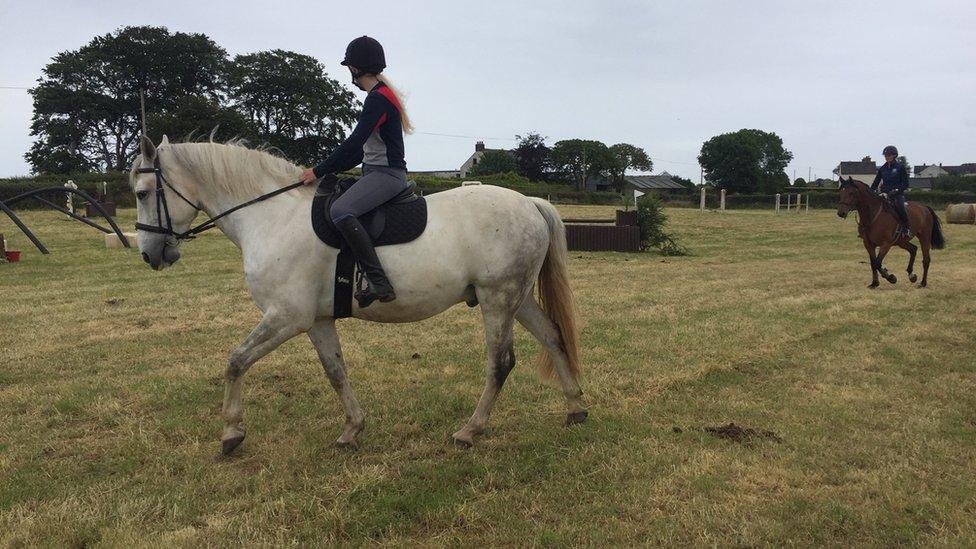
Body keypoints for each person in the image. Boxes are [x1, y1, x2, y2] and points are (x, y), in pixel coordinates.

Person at [300, 35, 414, 307]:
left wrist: (317, 170)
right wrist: (330, 170)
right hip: (374, 172)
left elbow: (353, 144)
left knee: (340, 210)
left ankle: (378, 281)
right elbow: (357, 152)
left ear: (355, 68)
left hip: (386, 176)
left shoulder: (378, 99)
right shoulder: (381, 95)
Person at [871, 145, 911, 238]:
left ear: (894, 155)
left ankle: (906, 228)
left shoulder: (900, 168)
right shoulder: (882, 169)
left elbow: (905, 184)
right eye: (885, 155)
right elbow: (876, 182)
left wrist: (896, 190)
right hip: (884, 194)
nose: (887, 157)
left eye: (889, 155)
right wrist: (871, 191)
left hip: (897, 194)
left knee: (901, 207)